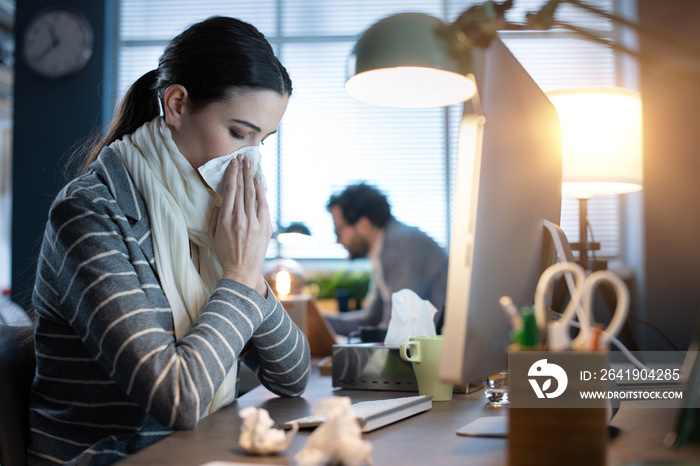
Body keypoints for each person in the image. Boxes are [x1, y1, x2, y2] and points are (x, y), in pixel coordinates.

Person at [28, 17, 310, 465]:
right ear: (176, 105)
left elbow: (293, 375)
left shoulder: (209, 216)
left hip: (202, 452)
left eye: (263, 141)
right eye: (239, 133)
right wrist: (237, 274)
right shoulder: (89, 213)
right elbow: (177, 399)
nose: (251, 161)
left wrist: (248, 270)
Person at [325, 183, 449, 336]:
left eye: (339, 231)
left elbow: (399, 326)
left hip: (439, 350)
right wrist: (316, 320)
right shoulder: (382, 250)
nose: (338, 241)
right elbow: (371, 319)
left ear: (363, 225)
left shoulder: (402, 243)